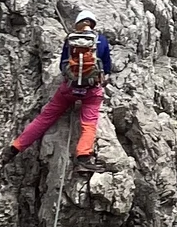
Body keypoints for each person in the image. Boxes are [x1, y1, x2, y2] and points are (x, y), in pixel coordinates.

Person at [7, 16, 114, 163]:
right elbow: (107, 67)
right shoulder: (101, 40)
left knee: (45, 118)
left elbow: (63, 66)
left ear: (78, 24)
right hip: (91, 91)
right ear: (93, 25)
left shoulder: (70, 39)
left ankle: (16, 147)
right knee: (89, 123)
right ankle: (83, 156)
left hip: (69, 89)